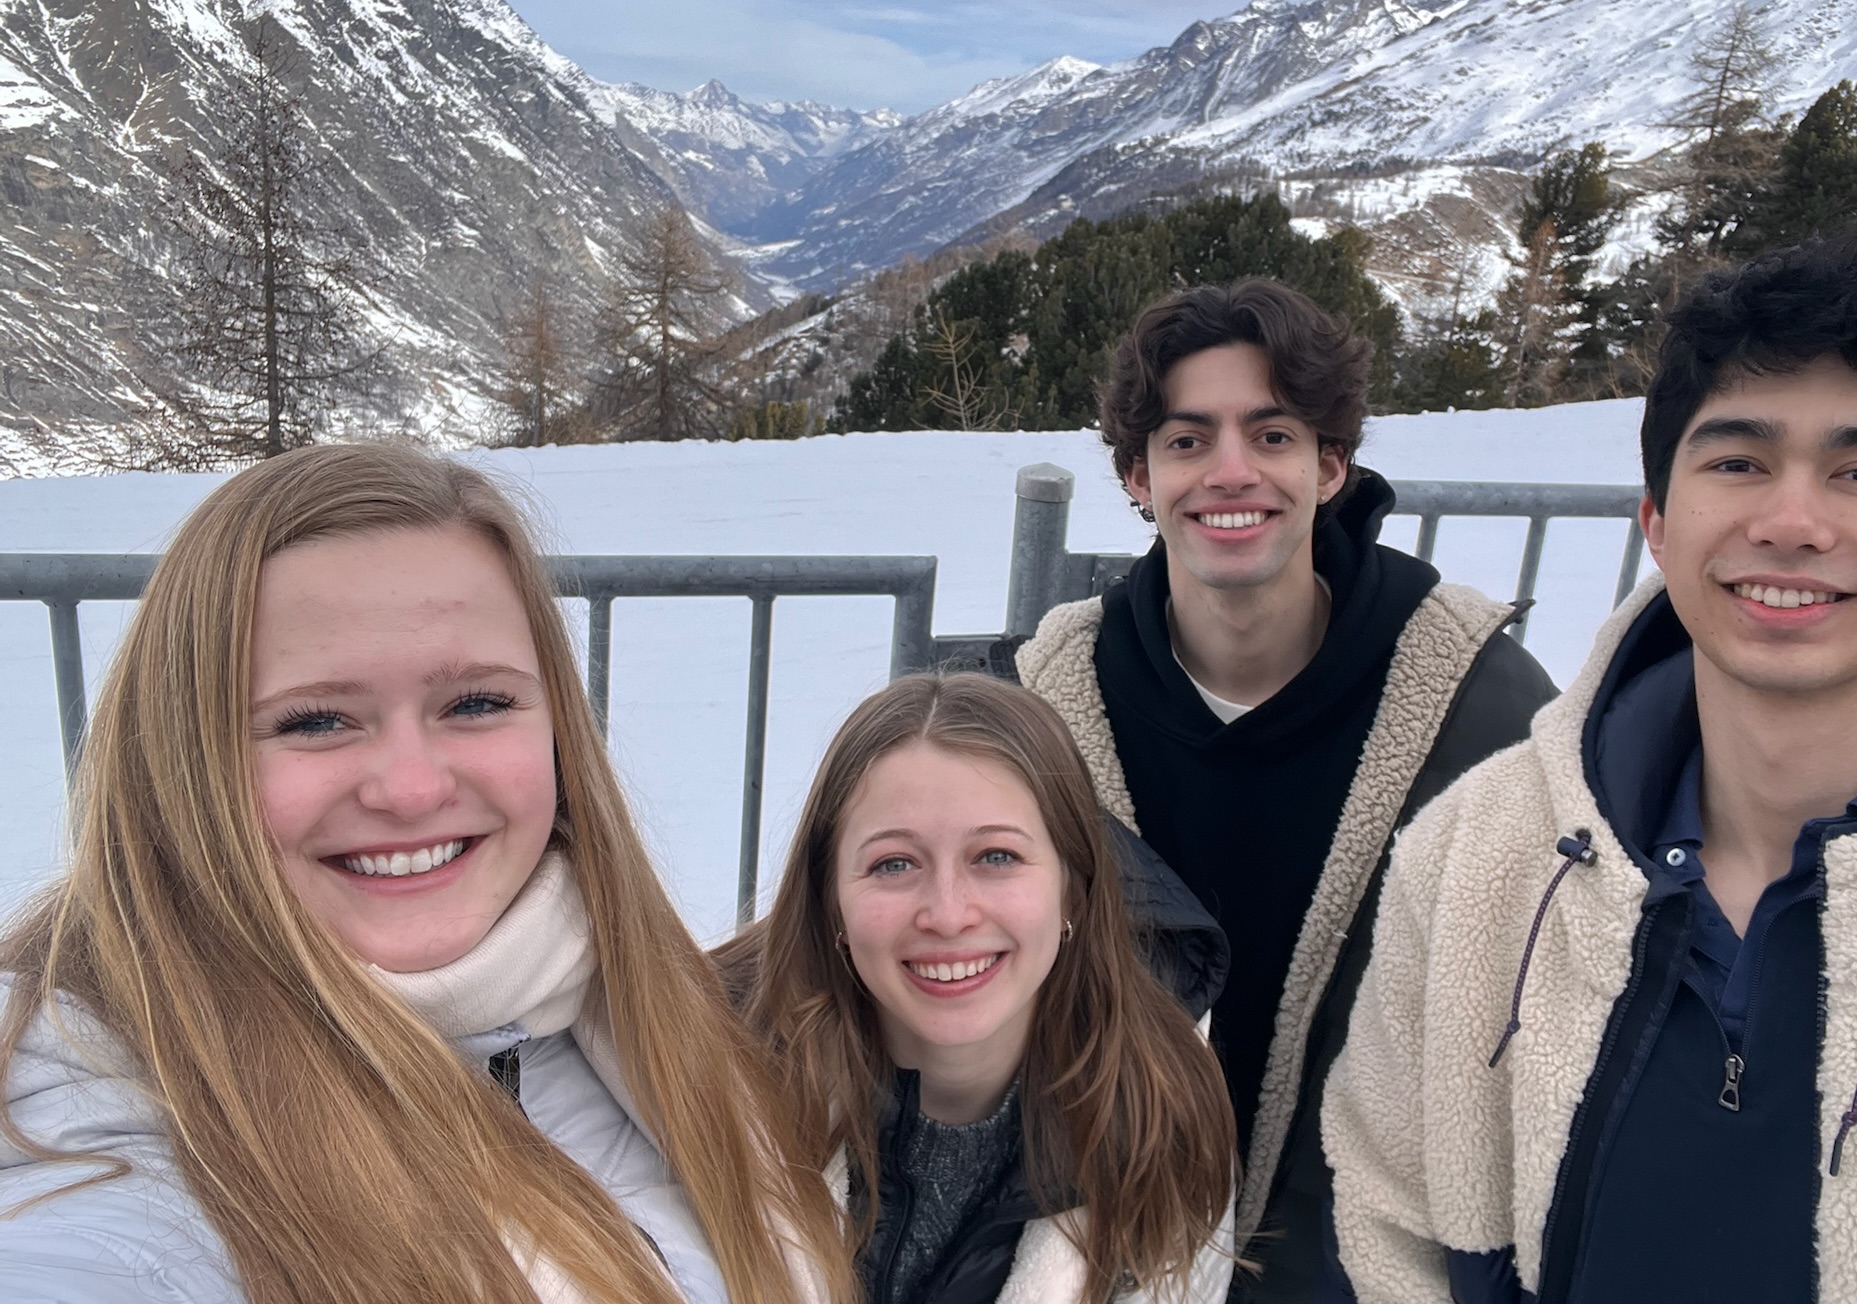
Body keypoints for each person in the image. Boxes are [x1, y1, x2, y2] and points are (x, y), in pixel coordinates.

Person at [1324, 219, 1857, 1302]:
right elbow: (1390, 1226)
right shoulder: (1476, 855)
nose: (1791, 521)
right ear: (1657, 524)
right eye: (1738, 461)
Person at [0, 444, 850, 1304]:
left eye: (476, 703)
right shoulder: (107, 1135)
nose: (412, 790)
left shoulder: (631, 1009)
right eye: (317, 720)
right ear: (186, 763)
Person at [1015, 277, 1556, 1300]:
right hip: (1108, 1250)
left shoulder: (1481, 704)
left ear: (1330, 463)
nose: (1229, 472)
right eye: (1186, 441)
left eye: (1269, 435)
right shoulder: (1054, 701)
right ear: (1137, 475)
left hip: (1362, 1265)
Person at [721, 672, 1237, 1304]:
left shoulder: (1162, 1099)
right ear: (832, 907)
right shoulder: (704, 1079)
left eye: (996, 856)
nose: (947, 913)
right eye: (894, 864)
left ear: (1072, 888)